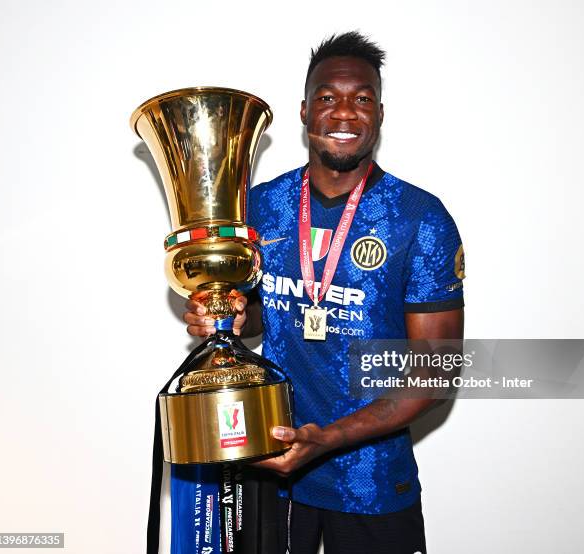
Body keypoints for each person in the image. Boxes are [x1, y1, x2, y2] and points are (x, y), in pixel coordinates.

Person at [184, 32, 465, 554]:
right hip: (270, 468)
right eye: (327, 97)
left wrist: (328, 439)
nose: (344, 113)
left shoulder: (419, 219)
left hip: (371, 486)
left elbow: (436, 375)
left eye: (361, 99)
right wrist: (218, 316)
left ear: (380, 113)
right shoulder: (261, 205)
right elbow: (255, 312)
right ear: (304, 111)